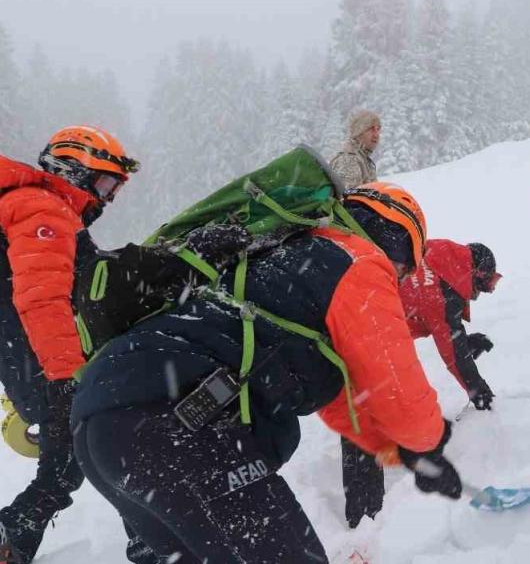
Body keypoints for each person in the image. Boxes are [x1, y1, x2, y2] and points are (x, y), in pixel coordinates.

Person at [70, 183, 462, 563]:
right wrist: (428, 439)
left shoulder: (281, 256)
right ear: (398, 244)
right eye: (405, 268)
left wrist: (404, 454)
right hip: (176, 426)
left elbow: (346, 404)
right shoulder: (356, 259)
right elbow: (398, 389)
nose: (400, 279)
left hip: (103, 427)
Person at [0, 126, 139, 564]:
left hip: (30, 360)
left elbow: (91, 280)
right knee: (117, 447)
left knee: (73, 464)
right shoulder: (44, 208)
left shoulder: (43, 209)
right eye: (104, 183)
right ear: (71, 169)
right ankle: (157, 544)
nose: (108, 198)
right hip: (45, 364)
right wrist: (64, 381)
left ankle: (13, 539)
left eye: (113, 187)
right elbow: (43, 300)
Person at [341, 238, 501, 529]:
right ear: (474, 273)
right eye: (487, 284)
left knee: (373, 405)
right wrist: (479, 392)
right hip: (359, 332)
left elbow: (434, 318)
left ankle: (366, 508)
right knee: (364, 410)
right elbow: (450, 348)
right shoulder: (441, 291)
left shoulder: (442, 257)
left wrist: (463, 341)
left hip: (363, 320)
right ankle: (364, 517)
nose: (483, 293)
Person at [330, 109, 380, 188]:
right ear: (358, 132)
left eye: (378, 129)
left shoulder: (363, 159)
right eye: (371, 129)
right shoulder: (348, 160)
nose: (376, 135)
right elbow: (349, 197)